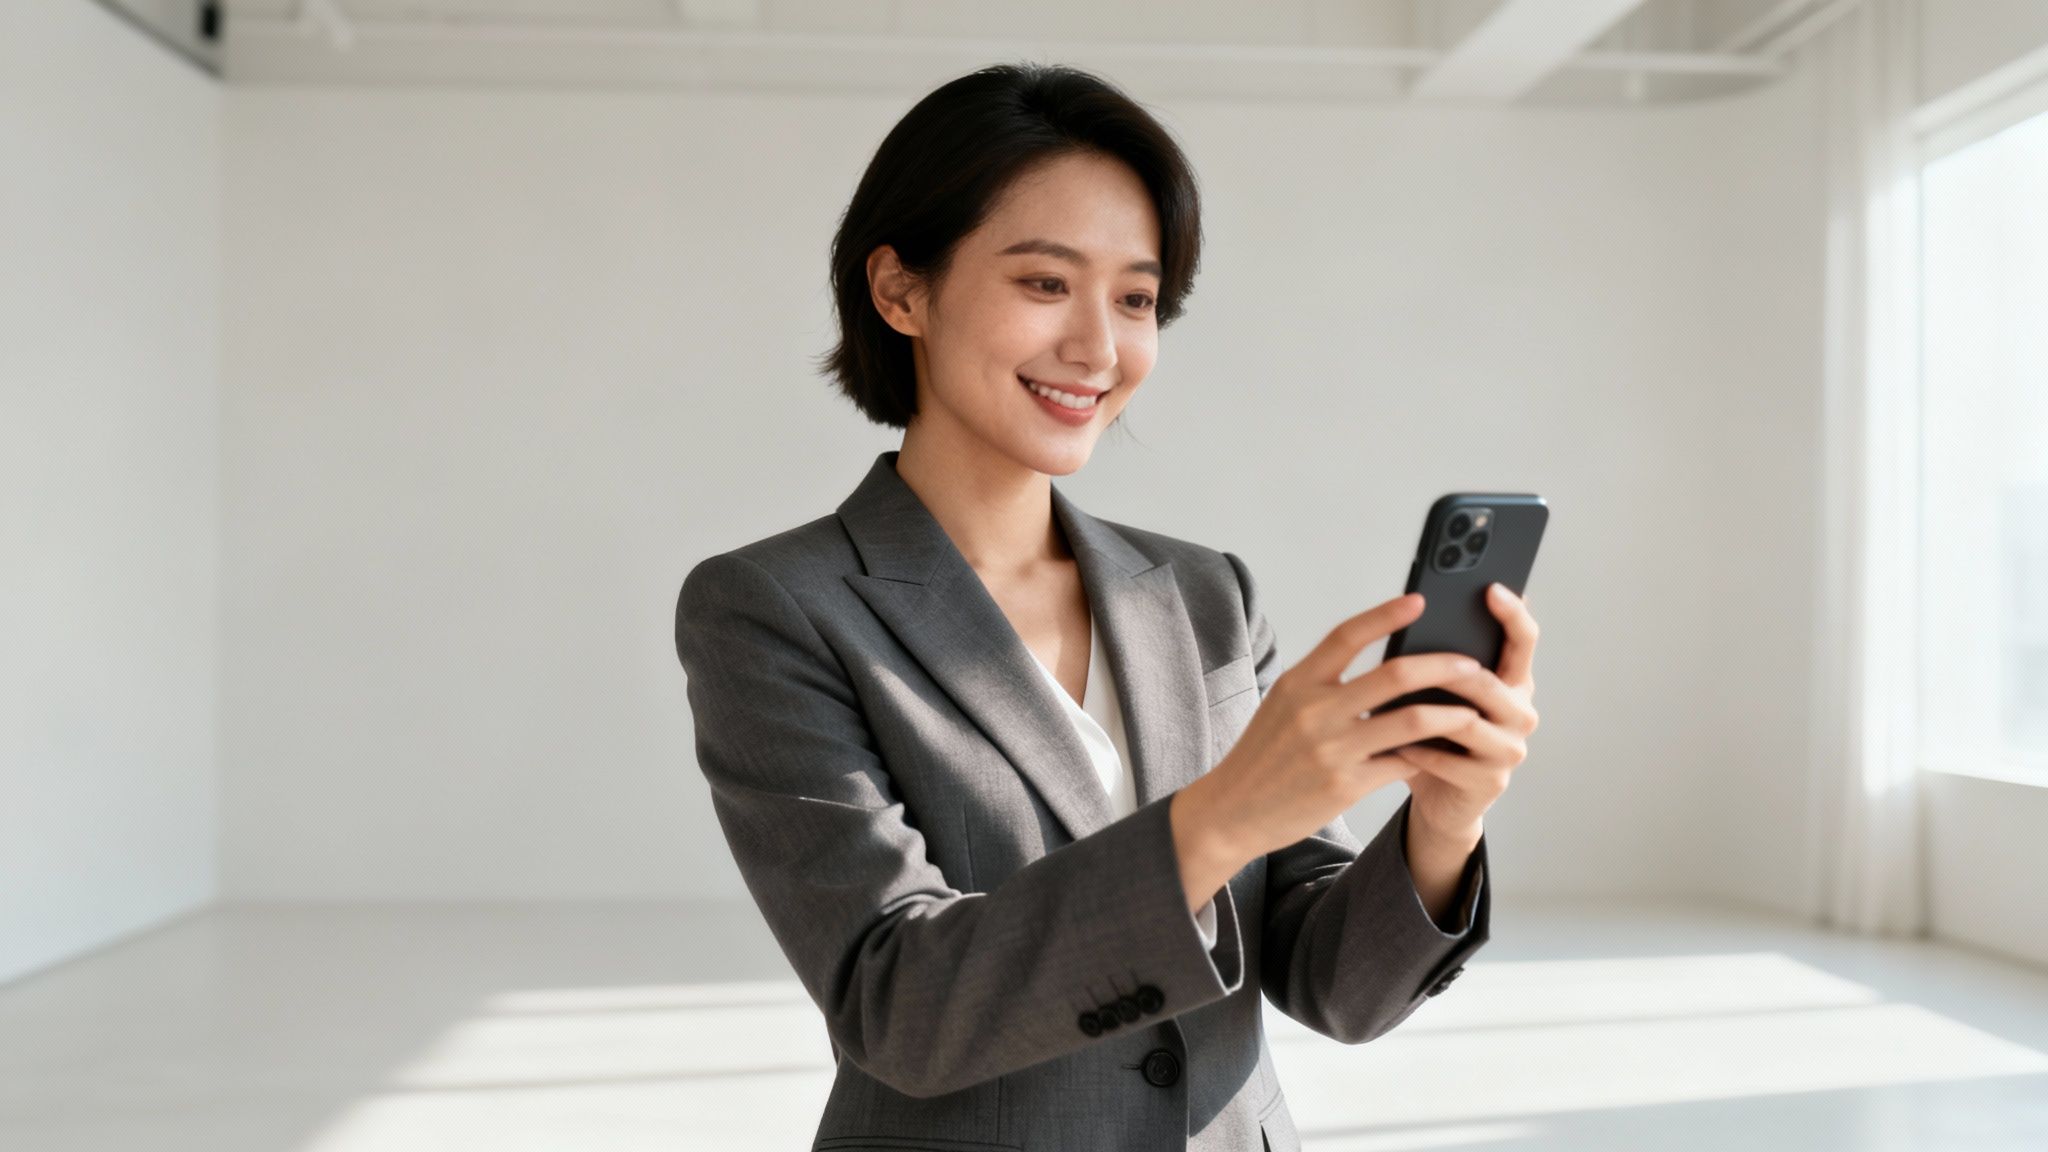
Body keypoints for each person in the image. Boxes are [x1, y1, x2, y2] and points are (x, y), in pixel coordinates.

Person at [673, 61, 1542, 1152]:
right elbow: (897, 1007)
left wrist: (1442, 820)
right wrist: (1224, 813)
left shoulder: (1204, 595)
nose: (1099, 348)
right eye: (1044, 284)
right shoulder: (771, 608)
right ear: (900, 291)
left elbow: (1334, 988)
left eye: (1135, 298)